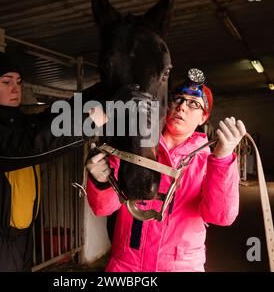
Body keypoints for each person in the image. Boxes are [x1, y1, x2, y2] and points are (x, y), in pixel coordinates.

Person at [0, 51, 108, 272]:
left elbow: (54, 115)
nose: (16, 88)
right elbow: (30, 145)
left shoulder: (15, 124)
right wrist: (86, 123)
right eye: (6, 82)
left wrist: (106, 87)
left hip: (20, 242)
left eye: (18, 81)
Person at [85, 68, 246, 272]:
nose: (182, 107)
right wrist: (100, 180)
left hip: (181, 267)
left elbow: (220, 216)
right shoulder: (135, 148)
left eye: (193, 104)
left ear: (204, 117)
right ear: (167, 105)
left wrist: (223, 158)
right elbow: (103, 208)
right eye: (177, 99)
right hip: (127, 266)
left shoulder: (208, 163)